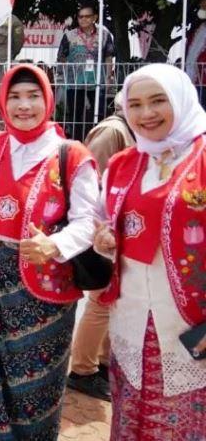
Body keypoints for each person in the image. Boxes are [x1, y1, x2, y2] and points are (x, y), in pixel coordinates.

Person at [0, 64, 100, 440]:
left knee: (38, 385)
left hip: (47, 287)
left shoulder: (71, 155)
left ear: (49, 100)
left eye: (33, 96)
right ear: (2, 102)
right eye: (14, 96)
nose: (23, 105)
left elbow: (90, 221)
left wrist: (54, 245)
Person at [93, 64, 206, 438]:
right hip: (132, 322)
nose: (146, 114)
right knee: (131, 417)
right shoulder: (124, 164)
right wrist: (103, 239)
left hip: (190, 324)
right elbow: (104, 221)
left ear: (181, 99)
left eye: (158, 101)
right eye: (135, 104)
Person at [67, 93, 133, 402]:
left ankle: (103, 364)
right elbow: (92, 179)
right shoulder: (113, 131)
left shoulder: (128, 131)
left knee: (114, 300)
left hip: (121, 230)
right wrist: (98, 229)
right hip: (103, 229)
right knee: (101, 301)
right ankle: (83, 370)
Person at [57, 2, 116, 141]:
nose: (83, 19)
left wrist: (108, 78)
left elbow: (108, 57)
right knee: (76, 116)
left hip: (97, 81)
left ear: (95, 17)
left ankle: (98, 142)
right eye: (80, 17)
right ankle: (77, 143)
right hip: (74, 82)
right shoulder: (69, 36)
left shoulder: (104, 35)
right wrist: (64, 76)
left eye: (87, 16)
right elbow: (61, 57)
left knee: (99, 114)